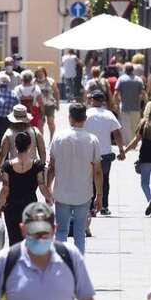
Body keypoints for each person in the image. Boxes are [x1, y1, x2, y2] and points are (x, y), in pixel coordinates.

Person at [47, 103, 103, 254]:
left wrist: (47, 188)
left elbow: (51, 167)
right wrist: (99, 195)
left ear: (69, 118)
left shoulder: (58, 137)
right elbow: (97, 171)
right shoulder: (92, 140)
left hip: (62, 192)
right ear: (85, 118)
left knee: (61, 232)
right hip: (83, 193)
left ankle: (60, 264)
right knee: (79, 233)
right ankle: (78, 266)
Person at [0, 132, 52, 245]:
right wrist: (51, 199)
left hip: (11, 207)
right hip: (30, 207)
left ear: (15, 146)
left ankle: (16, 261)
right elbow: (42, 186)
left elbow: (5, 190)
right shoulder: (36, 165)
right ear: (30, 146)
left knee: (13, 241)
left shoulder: (8, 165)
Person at [84, 90, 125, 216]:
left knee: (90, 180)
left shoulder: (86, 114)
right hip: (105, 153)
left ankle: (91, 207)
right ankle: (104, 206)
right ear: (103, 101)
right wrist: (121, 150)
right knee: (105, 179)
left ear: (92, 100)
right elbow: (117, 133)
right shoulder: (109, 115)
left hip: (89, 152)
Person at [114, 62, 146, 146]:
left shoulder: (121, 79)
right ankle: (134, 143)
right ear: (133, 70)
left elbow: (115, 93)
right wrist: (145, 105)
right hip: (136, 107)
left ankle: (128, 144)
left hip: (124, 107)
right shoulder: (139, 80)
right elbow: (143, 93)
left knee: (125, 126)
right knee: (135, 126)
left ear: (125, 70)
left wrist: (116, 104)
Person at [35, 67, 60, 138]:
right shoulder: (34, 82)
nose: (40, 74)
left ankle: (52, 139)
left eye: (41, 73)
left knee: (50, 122)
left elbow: (56, 92)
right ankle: (41, 140)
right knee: (40, 124)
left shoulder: (51, 81)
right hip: (38, 106)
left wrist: (57, 104)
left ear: (44, 73)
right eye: (38, 73)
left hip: (50, 105)